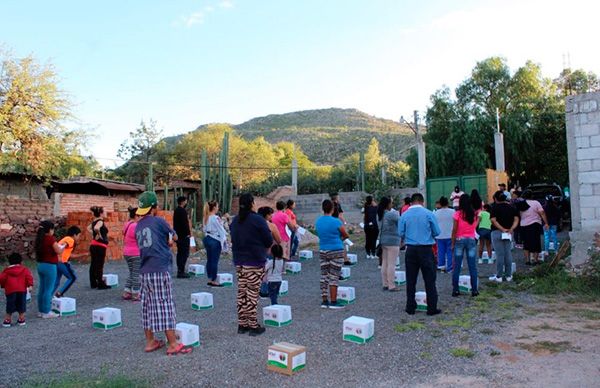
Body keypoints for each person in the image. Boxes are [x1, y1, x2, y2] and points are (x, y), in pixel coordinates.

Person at [135, 191, 192, 355]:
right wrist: (169, 242)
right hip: (159, 269)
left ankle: (150, 341)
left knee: (147, 305)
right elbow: (173, 237)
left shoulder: (138, 226)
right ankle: (173, 344)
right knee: (164, 304)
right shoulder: (159, 221)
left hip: (144, 271)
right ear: (154, 207)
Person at [230, 193, 273, 336]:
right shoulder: (257, 220)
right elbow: (268, 240)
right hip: (254, 261)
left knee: (242, 292)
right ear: (252, 203)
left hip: (239, 262)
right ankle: (253, 325)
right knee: (253, 293)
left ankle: (242, 324)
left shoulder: (235, 221)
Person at [398, 193, 442, 316]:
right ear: (422, 202)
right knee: (430, 279)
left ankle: (410, 307)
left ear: (411, 202)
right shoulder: (429, 214)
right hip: (426, 249)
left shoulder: (405, 215)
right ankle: (431, 307)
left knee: (411, 279)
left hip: (411, 249)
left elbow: (400, 232)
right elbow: (437, 232)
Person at [316, 199, 349, 309]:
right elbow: (346, 234)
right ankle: (334, 301)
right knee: (334, 276)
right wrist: (339, 238)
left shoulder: (318, 221)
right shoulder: (336, 221)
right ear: (332, 209)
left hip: (323, 249)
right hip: (336, 249)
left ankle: (324, 300)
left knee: (324, 275)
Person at [451, 194, 479, 297]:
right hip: (471, 239)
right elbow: (474, 226)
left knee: (457, 266)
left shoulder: (457, 214)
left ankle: (455, 290)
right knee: (472, 266)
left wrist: (452, 243)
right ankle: (474, 290)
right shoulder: (474, 214)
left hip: (459, 239)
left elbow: (454, 229)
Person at [35, 220, 63, 318]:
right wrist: (62, 248)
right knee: (49, 289)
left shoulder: (39, 239)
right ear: (50, 229)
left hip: (41, 265)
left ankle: (41, 310)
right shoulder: (50, 239)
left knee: (42, 289)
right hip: (50, 266)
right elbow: (58, 251)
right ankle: (46, 311)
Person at [489, 191, 519, 282]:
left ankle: (499, 276)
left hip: (497, 232)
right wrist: (511, 229)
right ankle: (509, 275)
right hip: (508, 233)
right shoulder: (511, 207)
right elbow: (516, 219)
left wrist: (502, 229)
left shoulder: (494, 208)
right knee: (508, 253)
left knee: (499, 255)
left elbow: (493, 220)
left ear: (496, 199)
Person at [1, 253, 33, 327]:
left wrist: (3, 285)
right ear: (21, 261)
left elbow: (2, 279)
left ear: (9, 262)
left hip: (10, 290)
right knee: (21, 304)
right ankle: (21, 319)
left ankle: (7, 320)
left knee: (10, 304)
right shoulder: (24, 270)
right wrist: (30, 285)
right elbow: (29, 277)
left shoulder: (6, 271)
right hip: (22, 290)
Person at [377, 197, 401, 292]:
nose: (392, 205)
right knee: (392, 264)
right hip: (393, 241)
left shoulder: (379, 214)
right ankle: (392, 285)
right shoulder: (391, 214)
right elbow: (401, 221)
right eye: (391, 203)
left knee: (384, 263)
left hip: (383, 240)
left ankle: (385, 284)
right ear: (388, 204)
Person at [518, 190, 549, 265]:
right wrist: (546, 223)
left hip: (524, 225)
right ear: (532, 196)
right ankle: (535, 260)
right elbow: (542, 213)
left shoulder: (521, 203)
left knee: (526, 243)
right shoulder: (536, 203)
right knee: (536, 242)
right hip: (535, 224)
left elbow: (518, 214)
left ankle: (527, 260)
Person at [203, 200, 228, 287]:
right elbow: (221, 229)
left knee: (209, 259)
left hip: (207, 238)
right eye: (217, 206)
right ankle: (213, 279)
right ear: (214, 208)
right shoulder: (215, 217)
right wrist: (224, 240)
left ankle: (210, 277)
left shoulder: (206, 217)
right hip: (215, 239)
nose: (218, 208)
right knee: (214, 260)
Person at [54, 226, 81, 297]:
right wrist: (60, 254)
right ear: (75, 235)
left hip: (56, 261)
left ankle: (49, 296)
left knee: (56, 281)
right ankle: (60, 293)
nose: (79, 238)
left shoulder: (66, 238)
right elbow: (63, 246)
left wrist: (84, 254)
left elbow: (70, 255)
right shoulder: (70, 239)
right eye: (79, 236)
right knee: (72, 278)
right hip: (61, 262)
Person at [122, 207, 141, 301]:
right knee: (136, 274)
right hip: (136, 253)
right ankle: (136, 293)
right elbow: (139, 239)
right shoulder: (135, 226)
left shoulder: (127, 224)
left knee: (132, 272)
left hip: (126, 252)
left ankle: (127, 291)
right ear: (136, 216)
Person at [89, 206, 110, 289]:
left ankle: (93, 283)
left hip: (94, 245)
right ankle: (100, 283)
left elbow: (88, 228)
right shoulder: (100, 221)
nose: (106, 213)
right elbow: (96, 228)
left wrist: (94, 234)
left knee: (93, 264)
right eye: (105, 212)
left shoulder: (94, 221)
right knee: (99, 265)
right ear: (101, 213)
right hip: (100, 246)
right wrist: (99, 235)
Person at [434, 196, 455, 272]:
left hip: (440, 235)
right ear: (447, 203)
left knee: (440, 251)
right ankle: (450, 268)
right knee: (450, 252)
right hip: (450, 234)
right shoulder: (453, 212)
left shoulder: (436, 213)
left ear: (440, 203)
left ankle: (441, 266)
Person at [173, 196, 191, 279]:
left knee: (180, 253)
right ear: (183, 202)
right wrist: (188, 233)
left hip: (178, 235)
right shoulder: (183, 211)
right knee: (184, 253)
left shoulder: (176, 210)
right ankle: (181, 271)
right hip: (183, 236)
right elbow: (185, 224)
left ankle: (180, 270)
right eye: (186, 201)